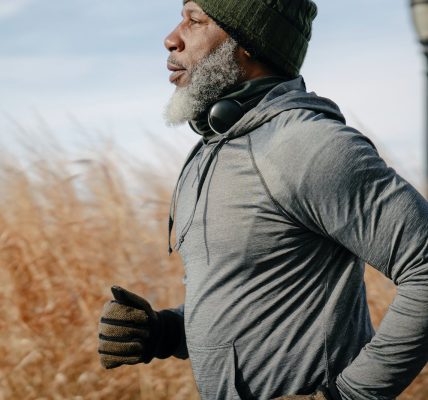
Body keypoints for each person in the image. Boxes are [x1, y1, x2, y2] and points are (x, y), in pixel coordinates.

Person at [97, 1, 428, 399]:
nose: (171, 39)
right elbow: (254, 304)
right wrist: (164, 332)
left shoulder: (309, 146)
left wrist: (352, 395)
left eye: (195, 20)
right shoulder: (214, 150)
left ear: (247, 42)